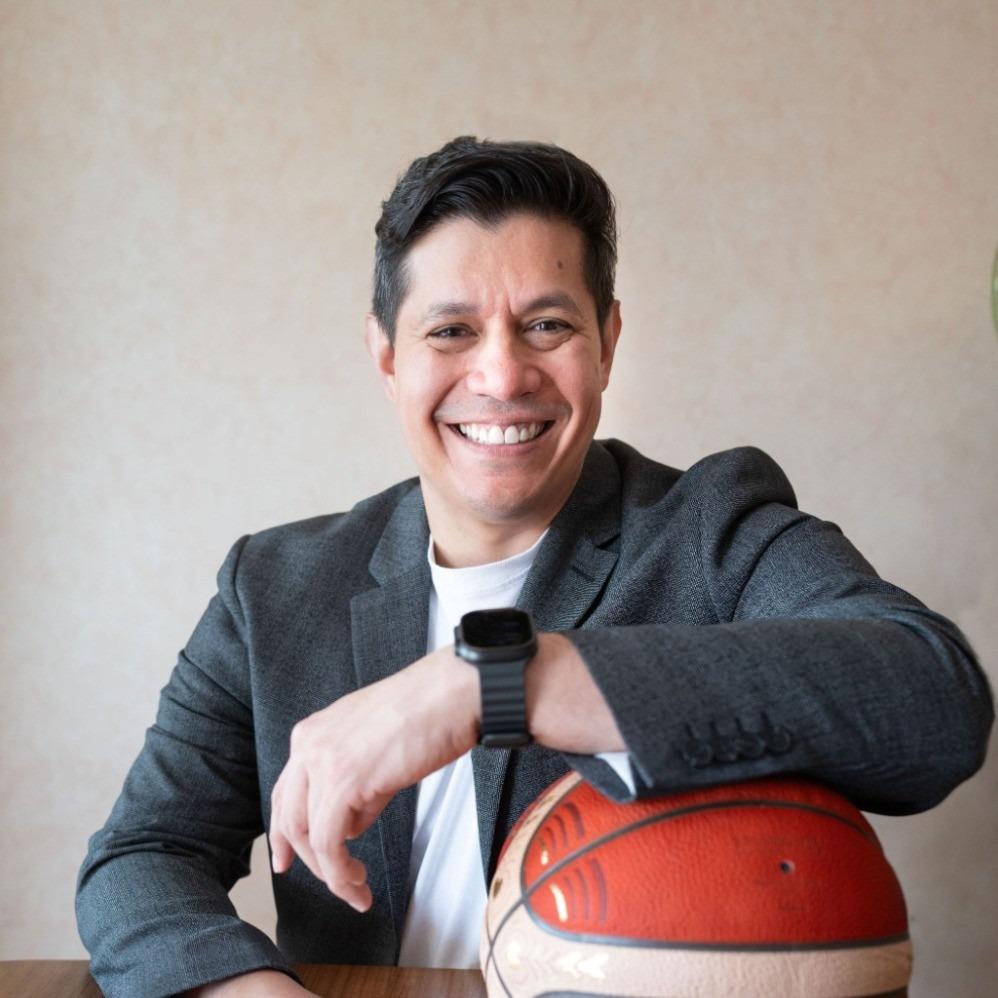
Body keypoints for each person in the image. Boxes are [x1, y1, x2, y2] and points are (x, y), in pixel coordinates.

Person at [76, 137, 993, 998]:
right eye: (451, 331)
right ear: (386, 356)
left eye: (546, 324)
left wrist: (491, 684)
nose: (503, 376)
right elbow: (143, 855)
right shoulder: (273, 585)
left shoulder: (712, 531)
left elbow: (933, 700)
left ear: (608, 343)